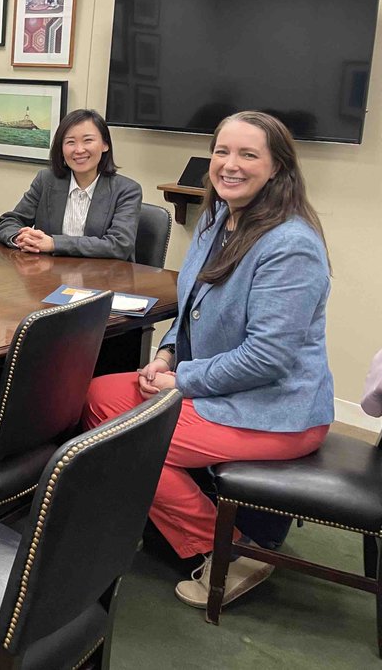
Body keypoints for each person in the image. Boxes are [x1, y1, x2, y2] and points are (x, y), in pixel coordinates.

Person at [84, 110, 332, 610]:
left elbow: (268, 359)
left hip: (274, 409)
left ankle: (233, 551)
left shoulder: (292, 245)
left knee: (129, 441)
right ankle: (162, 511)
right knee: (95, 395)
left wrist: (182, 380)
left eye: (248, 154)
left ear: (278, 169)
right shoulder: (218, 218)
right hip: (211, 385)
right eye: (222, 151)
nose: (229, 165)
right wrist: (167, 353)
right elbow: (191, 304)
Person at [0, 108, 141, 260]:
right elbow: (9, 222)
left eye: (88, 140)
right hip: (49, 276)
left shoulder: (127, 190)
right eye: (70, 142)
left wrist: (54, 244)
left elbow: (119, 244)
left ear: (105, 145)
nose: (79, 150)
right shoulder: (46, 180)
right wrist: (22, 239)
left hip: (103, 278)